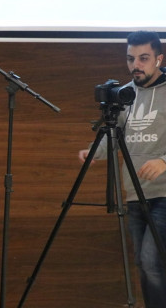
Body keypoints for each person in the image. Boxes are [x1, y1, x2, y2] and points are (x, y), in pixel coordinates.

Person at [78, 30, 166, 307]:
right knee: (144, 263)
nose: (135, 65)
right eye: (131, 59)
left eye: (143, 58)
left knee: (151, 262)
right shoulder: (124, 95)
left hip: (164, 195)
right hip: (135, 193)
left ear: (159, 59)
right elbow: (114, 135)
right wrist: (94, 151)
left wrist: (164, 161)